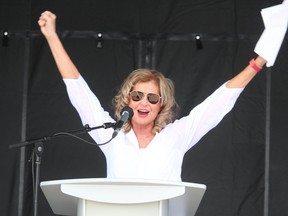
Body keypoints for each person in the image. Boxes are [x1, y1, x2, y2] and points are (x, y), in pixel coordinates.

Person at [38, 11, 268, 182]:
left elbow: (219, 102)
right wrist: (51, 36)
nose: (143, 103)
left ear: (161, 105)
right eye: (137, 96)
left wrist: (257, 64)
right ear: (127, 100)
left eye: (152, 98)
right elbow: (79, 91)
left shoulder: (177, 135)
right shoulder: (111, 134)